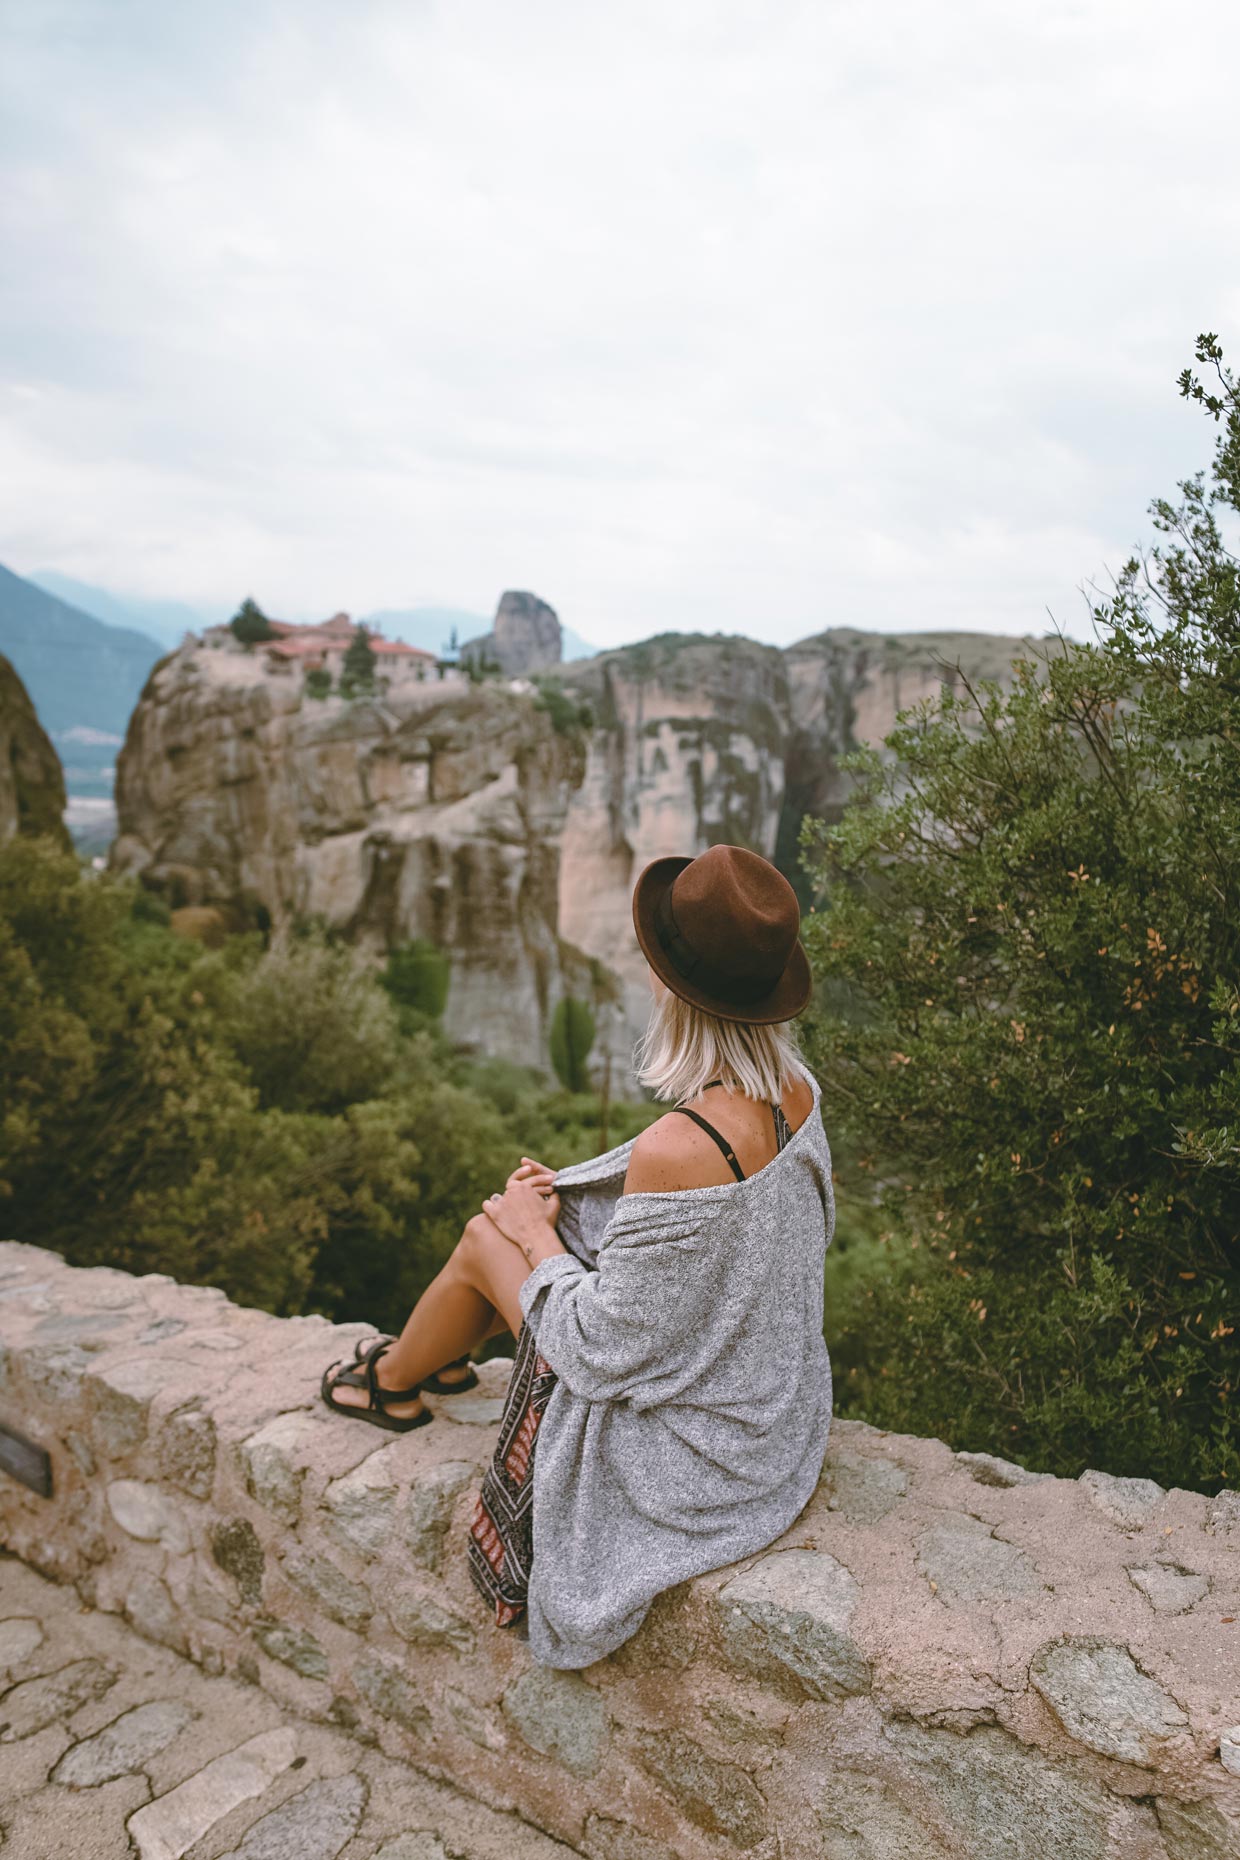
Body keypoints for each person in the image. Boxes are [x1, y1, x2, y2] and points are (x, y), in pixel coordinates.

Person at [320, 842, 835, 1668]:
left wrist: (532, 1231)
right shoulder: (796, 1089)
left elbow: (600, 1352)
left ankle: (390, 1382)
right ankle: (433, 1366)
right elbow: (719, 1235)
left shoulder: (683, 1142)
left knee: (489, 1234)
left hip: (700, 1460)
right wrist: (564, 1199)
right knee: (515, 1227)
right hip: (774, 1408)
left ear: (672, 987)